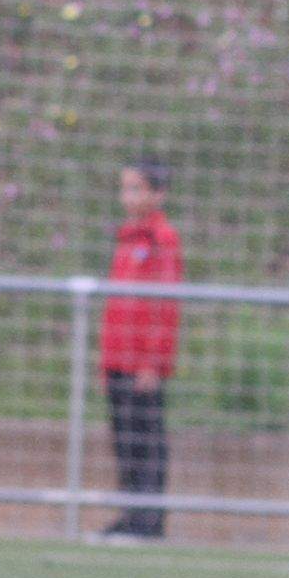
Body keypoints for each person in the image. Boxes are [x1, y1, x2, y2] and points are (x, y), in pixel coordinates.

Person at [97, 160, 182, 540]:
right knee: (125, 441)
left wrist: (152, 362)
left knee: (147, 443)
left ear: (156, 194)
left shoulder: (161, 240)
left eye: (135, 188)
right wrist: (106, 362)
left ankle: (148, 522)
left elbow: (165, 307)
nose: (127, 196)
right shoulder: (127, 238)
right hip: (118, 360)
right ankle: (130, 516)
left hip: (142, 366)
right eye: (124, 188)